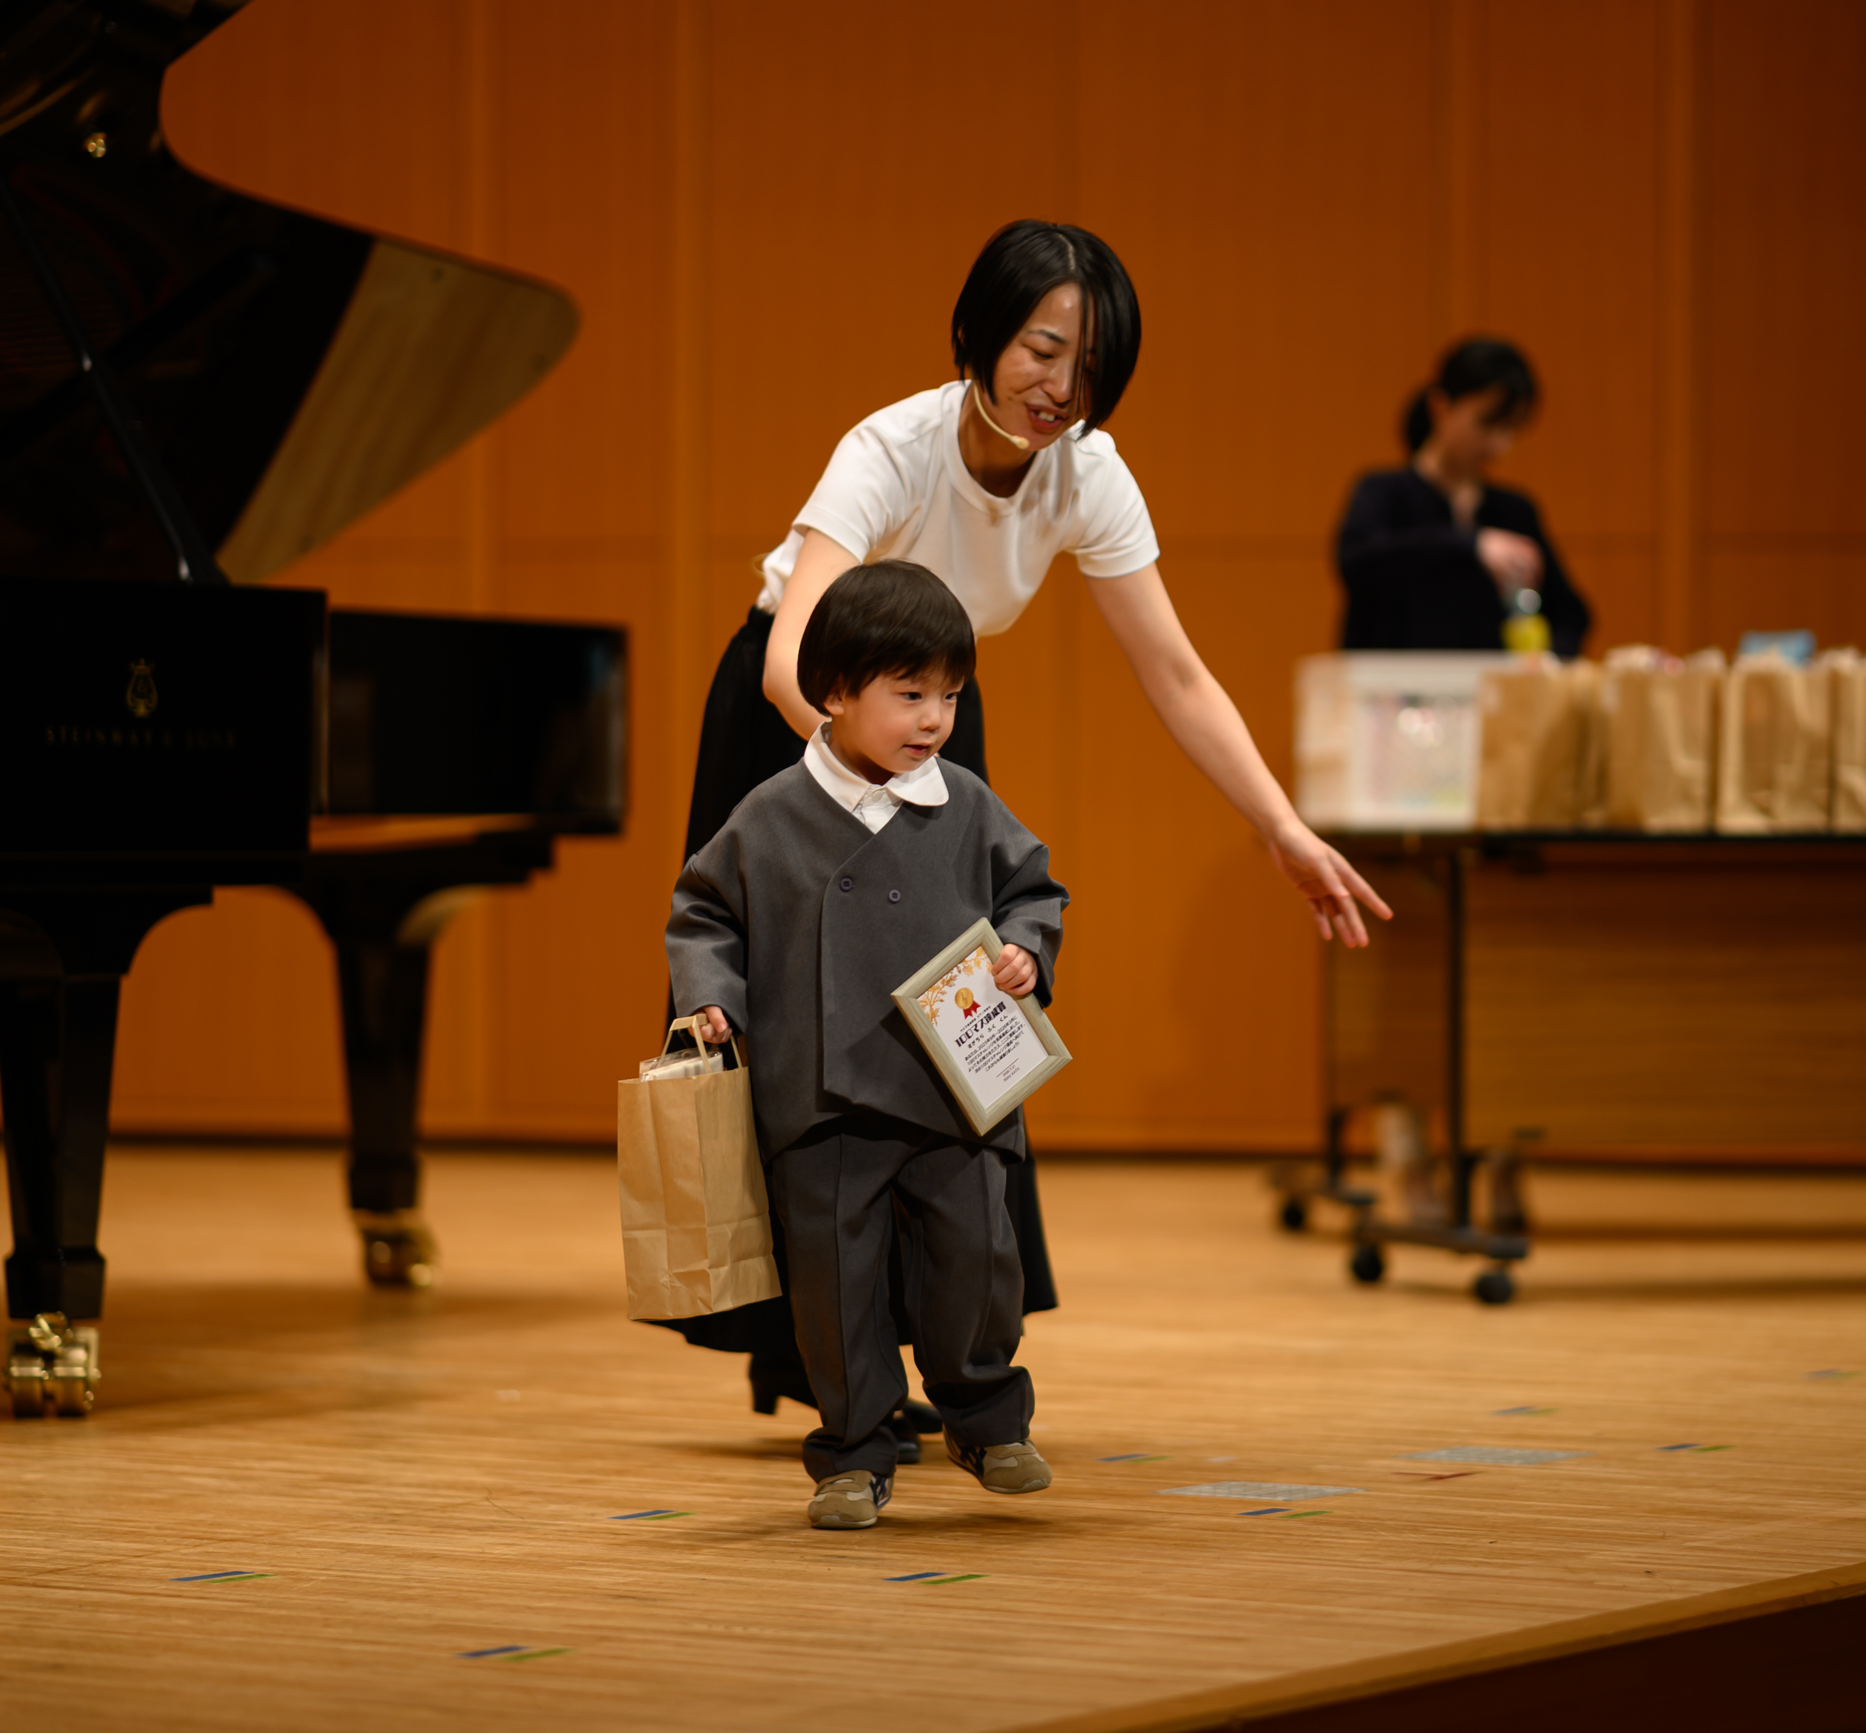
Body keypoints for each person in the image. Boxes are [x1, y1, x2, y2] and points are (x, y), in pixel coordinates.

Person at [663, 219, 1391, 1422]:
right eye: (1041, 349)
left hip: (931, 717)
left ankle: (945, 1327)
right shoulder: (888, 447)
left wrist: (1282, 827)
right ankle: (805, 1344)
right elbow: (790, 650)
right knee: (800, 1030)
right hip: (801, 719)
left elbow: (1178, 675)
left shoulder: (1085, 475)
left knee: (957, 1026)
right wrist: (852, 778)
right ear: (978, 336)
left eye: (1088, 365)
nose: (1061, 387)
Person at [671, 560, 1065, 1529]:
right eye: (909, 694)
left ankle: (983, 1414)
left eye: (949, 696)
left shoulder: (964, 801)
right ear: (835, 691)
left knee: (977, 1257)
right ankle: (851, 1452)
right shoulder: (770, 813)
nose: (934, 718)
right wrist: (712, 996)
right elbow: (703, 912)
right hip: (821, 1093)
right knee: (835, 1285)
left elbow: (1032, 888)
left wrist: (1023, 948)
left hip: (954, 1085)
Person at [1335, 337, 1590, 658]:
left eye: (1510, 429)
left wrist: (1548, 660)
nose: (1499, 445)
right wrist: (1470, 546)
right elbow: (1359, 562)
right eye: (1486, 424)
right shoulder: (1383, 492)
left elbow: (1570, 613)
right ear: (1441, 407)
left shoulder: (1513, 511)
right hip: (1394, 696)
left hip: (1491, 698)